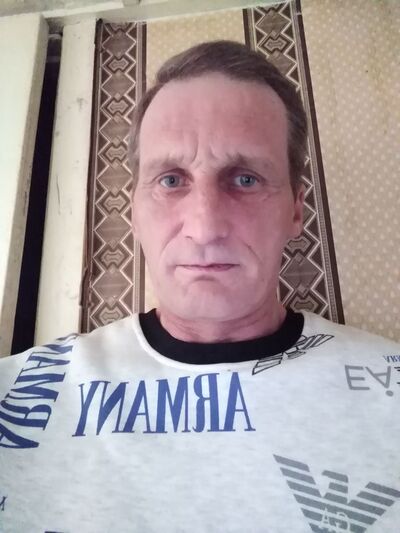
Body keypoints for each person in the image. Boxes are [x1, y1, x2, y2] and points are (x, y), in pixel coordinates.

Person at [0, 40, 399, 533]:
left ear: (296, 210)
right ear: (134, 211)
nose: (205, 228)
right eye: (171, 180)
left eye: (245, 180)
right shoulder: (17, 396)